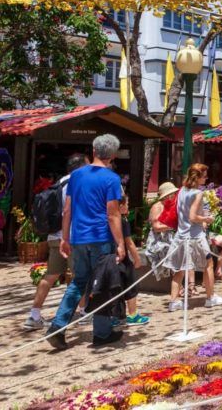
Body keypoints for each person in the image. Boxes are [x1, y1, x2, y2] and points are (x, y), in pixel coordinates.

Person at [46, 134, 125, 350]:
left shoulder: (77, 176)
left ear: (94, 151)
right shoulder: (111, 179)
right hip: (101, 237)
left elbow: (67, 209)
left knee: (78, 282)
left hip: (79, 237)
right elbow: (113, 214)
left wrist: (65, 237)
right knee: (102, 283)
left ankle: (58, 325)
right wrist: (121, 243)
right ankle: (102, 333)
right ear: (113, 154)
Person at [24, 153, 89, 331]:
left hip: (54, 237)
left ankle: (34, 315)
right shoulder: (78, 184)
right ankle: (83, 313)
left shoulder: (58, 184)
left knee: (50, 276)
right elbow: (72, 211)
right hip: (71, 238)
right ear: (82, 166)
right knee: (80, 275)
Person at [167, 164, 222, 311]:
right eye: (205, 176)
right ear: (198, 177)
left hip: (181, 235)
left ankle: (174, 301)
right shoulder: (197, 193)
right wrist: (207, 219)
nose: (206, 179)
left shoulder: (181, 190)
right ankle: (210, 297)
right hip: (195, 236)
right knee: (208, 266)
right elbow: (193, 216)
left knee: (179, 269)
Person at [118, 196, 149, 326]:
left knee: (117, 287)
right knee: (131, 285)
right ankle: (132, 314)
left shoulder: (108, 220)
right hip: (124, 259)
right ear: (120, 206)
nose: (128, 207)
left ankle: (118, 316)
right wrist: (137, 259)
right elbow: (129, 242)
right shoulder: (123, 221)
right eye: (127, 204)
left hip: (112, 258)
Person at [142, 181, 178, 281]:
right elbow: (156, 227)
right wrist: (172, 226)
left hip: (170, 237)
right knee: (169, 250)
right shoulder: (157, 207)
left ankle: (185, 283)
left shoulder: (170, 206)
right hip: (157, 239)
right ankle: (178, 285)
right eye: (172, 194)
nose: (174, 196)